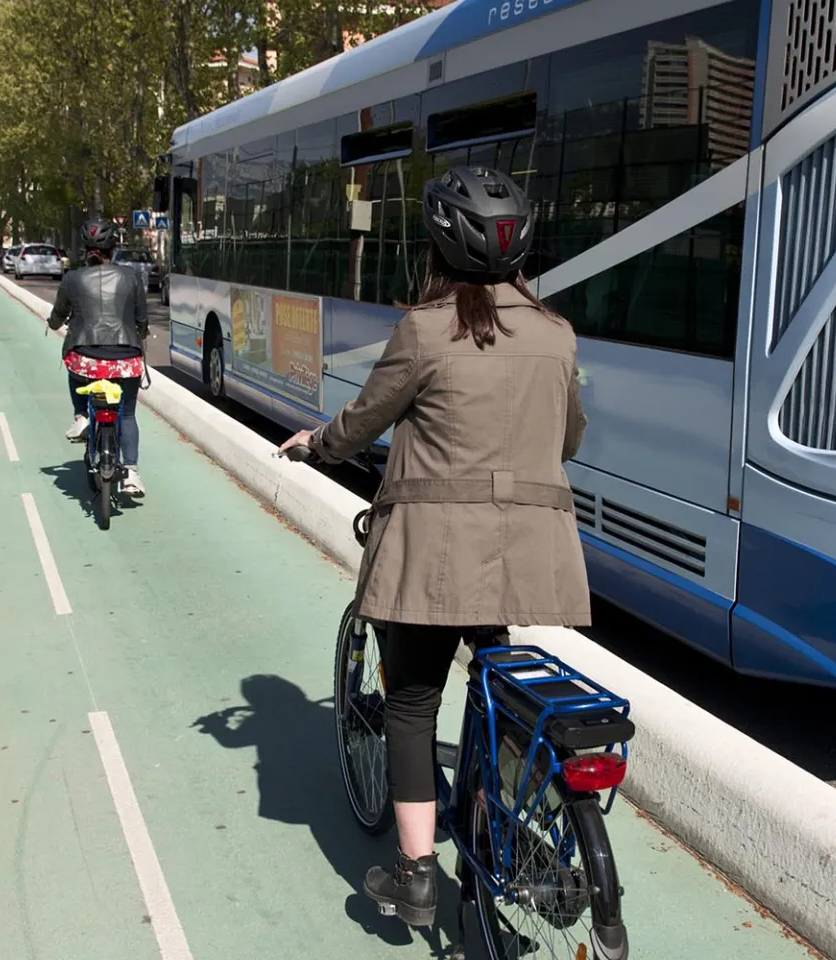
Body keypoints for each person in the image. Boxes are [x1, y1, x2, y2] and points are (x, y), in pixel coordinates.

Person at [276, 166, 589, 927]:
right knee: (497, 682)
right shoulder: (555, 334)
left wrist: (316, 443)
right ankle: (507, 824)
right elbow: (568, 437)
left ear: (437, 247)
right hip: (527, 553)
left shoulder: (424, 329)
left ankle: (417, 875)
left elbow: (363, 420)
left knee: (413, 707)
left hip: (431, 558)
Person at [50, 218, 151, 497]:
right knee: (127, 414)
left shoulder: (72, 279)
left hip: (86, 357)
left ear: (85, 249)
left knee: (73, 366)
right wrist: (140, 331)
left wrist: (53, 323)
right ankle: (131, 472)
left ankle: (81, 415)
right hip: (126, 358)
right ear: (113, 247)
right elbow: (142, 319)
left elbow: (58, 317)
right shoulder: (131, 277)